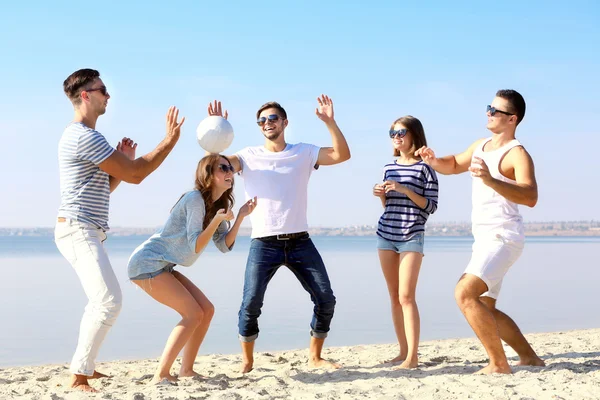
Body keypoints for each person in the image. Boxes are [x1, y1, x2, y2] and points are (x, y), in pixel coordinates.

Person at [55, 68, 185, 392]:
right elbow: (137, 174)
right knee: (108, 300)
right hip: (77, 229)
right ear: (85, 95)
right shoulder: (83, 136)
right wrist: (168, 141)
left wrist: (123, 163)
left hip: (86, 229)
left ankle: (84, 367)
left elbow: (107, 186)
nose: (108, 95)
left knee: (100, 300)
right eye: (102, 90)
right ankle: (79, 376)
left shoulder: (86, 138)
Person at [207, 96, 351, 373]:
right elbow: (215, 168)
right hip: (264, 243)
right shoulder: (247, 156)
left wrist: (330, 122)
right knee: (250, 303)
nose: (267, 123)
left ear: (285, 122)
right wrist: (216, 134)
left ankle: (315, 356)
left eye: (273, 118)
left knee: (326, 299)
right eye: (262, 120)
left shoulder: (304, 152)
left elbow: (342, 155)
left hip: (300, 241)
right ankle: (247, 362)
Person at [415, 89, 545, 374]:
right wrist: (433, 161)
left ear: (512, 118)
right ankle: (530, 358)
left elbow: (530, 195)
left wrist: (491, 179)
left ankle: (498, 364)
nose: (488, 112)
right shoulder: (481, 145)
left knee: (464, 294)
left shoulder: (517, 154)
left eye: (495, 110)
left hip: (503, 237)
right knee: (485, 307)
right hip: (483, 239)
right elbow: (454, 164)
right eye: (489, 107)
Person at [127, 154, 257, 385]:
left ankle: (186, 369)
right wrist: (217, 220)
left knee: (206, 310)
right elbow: (195, 244)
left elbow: (224, 246)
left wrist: (240, 218)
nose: (230, 172)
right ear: (208, 175)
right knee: (192, 314)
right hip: (146, 263)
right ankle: (161, 374)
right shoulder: (194, 199)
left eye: (231, 168)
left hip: (164, 264)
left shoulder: (219, 205)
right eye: (223, 168)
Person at [373, 116, 438, 369]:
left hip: (412, 234)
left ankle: (413, 357)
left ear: (414, 134)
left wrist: (405, 189)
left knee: (406, 296)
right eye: (392, 133)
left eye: (401, 132)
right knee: (394, 296)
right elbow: (388, 206)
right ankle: (402, 352)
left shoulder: (426, 168)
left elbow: (431, 206)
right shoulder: (388, 167)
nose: (396, 137)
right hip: (386, 234)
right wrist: (382, 195)